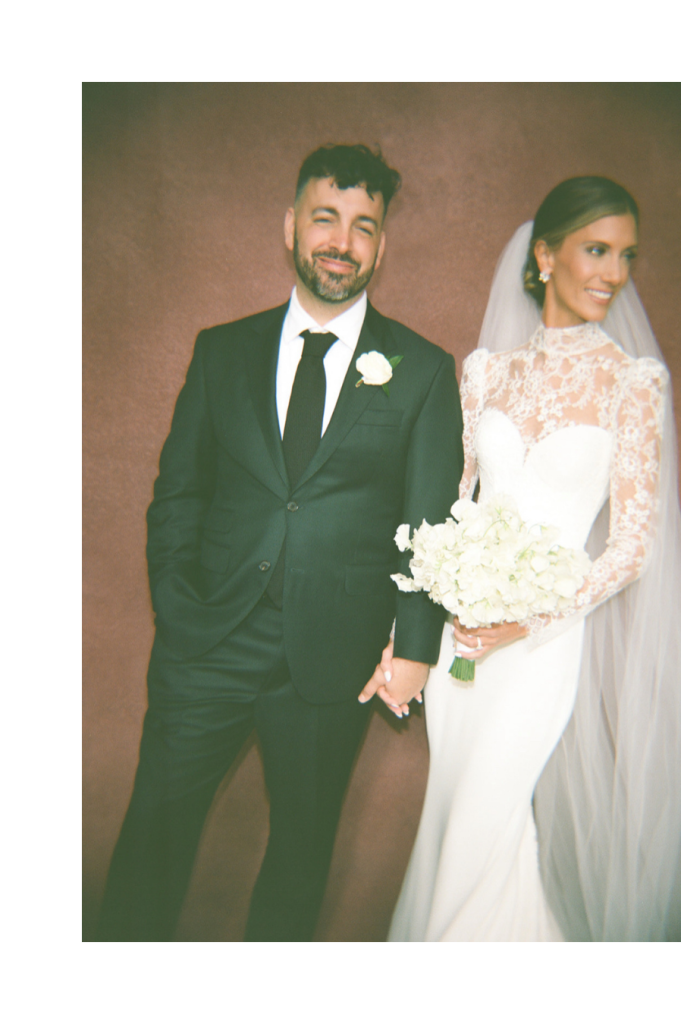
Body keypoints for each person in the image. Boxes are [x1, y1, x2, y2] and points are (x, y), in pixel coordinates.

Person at [95, 144, 464, 941]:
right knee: (152, 840)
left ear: (381, 245)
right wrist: (178, 604)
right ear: (290, 225)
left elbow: (431, 522)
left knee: (299, 861)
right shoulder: (219, 350)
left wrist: (416, 646)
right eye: (325, 218)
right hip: (210, 639)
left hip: (334, 657)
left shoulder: (424, 371)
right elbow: (178, 494)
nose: (342, 241)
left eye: (363, 226)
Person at [366, 176, 681, 941]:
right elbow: (450, 509)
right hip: (461, 649)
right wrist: (419, 628)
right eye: (595, 250)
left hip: (539, 651)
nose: (612, 272)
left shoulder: (632, 385)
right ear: (544, 256)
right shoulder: (486, 373)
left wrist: (525, 619)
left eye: (625, 255)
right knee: (461, 827)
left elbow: (632, 546)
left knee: (485, 823)